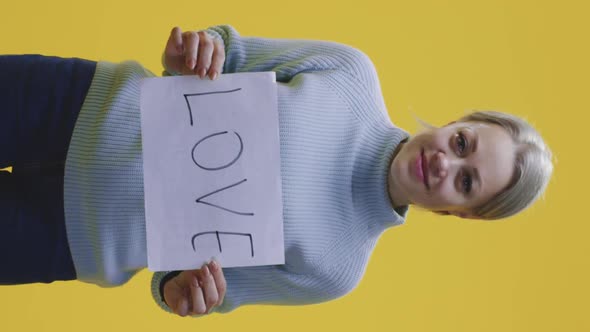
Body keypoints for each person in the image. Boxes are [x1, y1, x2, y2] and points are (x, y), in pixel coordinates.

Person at [0, 25, 553, 318]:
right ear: (458, 122)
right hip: (71, 101)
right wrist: (199, 51)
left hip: (66, 239)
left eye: (466, 180)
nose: (445, 162)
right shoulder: (350, 73)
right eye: (463, 143)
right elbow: (228, 49)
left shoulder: (336, 269)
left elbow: (173, 286)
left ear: (459, 212)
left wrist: (186, 295)